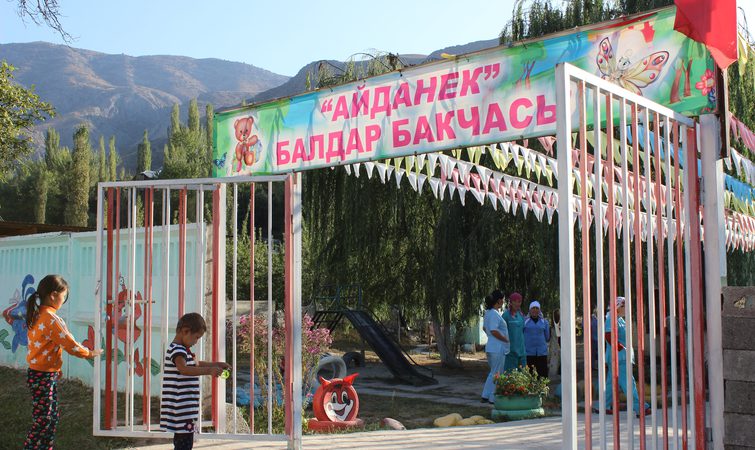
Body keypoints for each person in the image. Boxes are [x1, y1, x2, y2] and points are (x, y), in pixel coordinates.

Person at [24, 274, 103, 449]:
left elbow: (42, 348)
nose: (64, 299)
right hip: (43, 377)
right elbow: (70, 343)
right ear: (53, 295)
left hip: (39, 374)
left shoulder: (38, 315)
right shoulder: (52, 319)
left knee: (48, 418)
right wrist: (89, 353)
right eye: (64, 295)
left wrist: (54, 368)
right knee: (45, 420)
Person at [161, 312, 230, 450]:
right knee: (184, 444)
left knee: (185, 442)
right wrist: (209, 371)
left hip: (185, 407)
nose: (196, 341)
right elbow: (184, 369)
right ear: (185, 331)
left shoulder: (184, 350)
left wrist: (216, 364)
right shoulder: (177, 351)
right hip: (181, 408)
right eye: (196, 337)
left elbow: (196, 364)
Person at [603, 296, 650, 415]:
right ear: (618, 307)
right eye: (624, 306)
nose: (626, 309)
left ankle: (604, 405)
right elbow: (608, 335)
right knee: (629, 383)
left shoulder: (620, 320)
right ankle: (640, 408)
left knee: (611, 384)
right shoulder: (611, 319)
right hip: (619, 358)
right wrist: (619, 347)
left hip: (621, 356)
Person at [481, 290, 509, 404]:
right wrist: (505, 339)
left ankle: (485, 395)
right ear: (498, 300)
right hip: (497, 347)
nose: (503, 301)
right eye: (502, 299)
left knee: (493, 372)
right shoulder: (493, 314)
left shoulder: (488, 313)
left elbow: (484, 328)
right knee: (497, 373)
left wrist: (491, 335)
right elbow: (493, 330)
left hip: (492, 346)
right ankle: (493, 397)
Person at [523, 300, 550, 378]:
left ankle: (543, 390)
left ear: (539, 310)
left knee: (542, 375)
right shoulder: (525, 322)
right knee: (530, 375)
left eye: (537, 308)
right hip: (529, 353)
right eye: (533, 308)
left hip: (542, 353)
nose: (535, 310)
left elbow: (547, 337)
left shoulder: (544, 322)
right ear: (530, 310)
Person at [502, 292, 527, 372]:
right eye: (515, 301)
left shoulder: (521, 315)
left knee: (523, 376)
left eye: (519, 301)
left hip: (521, 351)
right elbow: (502, 332)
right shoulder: (505, 315)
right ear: (511, 302)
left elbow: (522, 331)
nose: (517, 303)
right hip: (510, 352)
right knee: (509, 376)